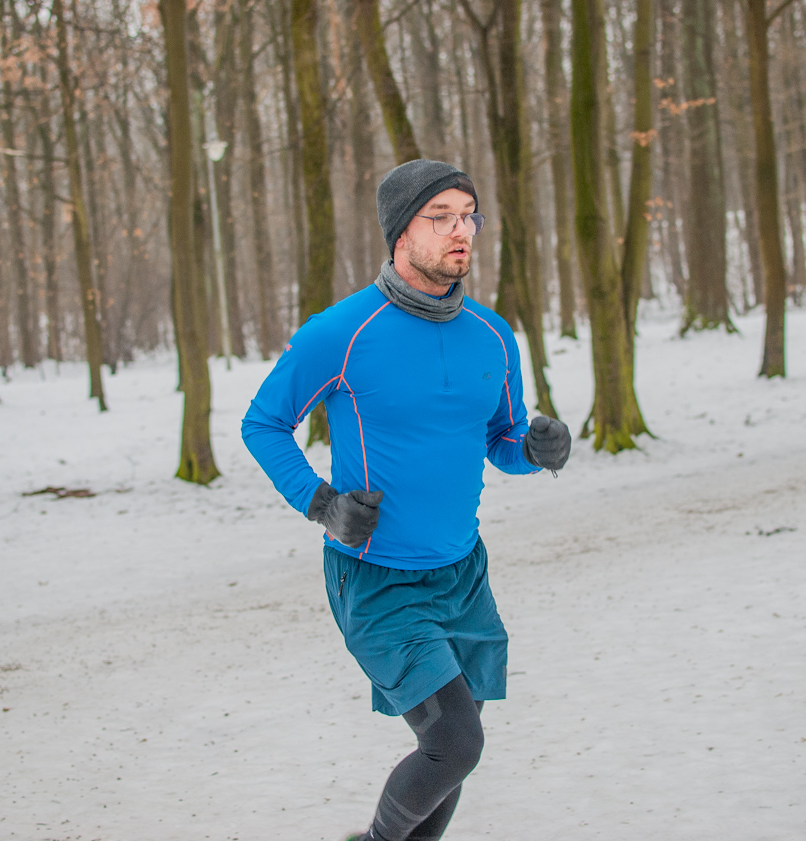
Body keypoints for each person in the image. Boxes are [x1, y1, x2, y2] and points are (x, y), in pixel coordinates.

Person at [241, 159, 571, 841]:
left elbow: (502, 438)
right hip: (378, 575)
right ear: (400, 233)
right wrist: (321, 502)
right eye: (441, 215)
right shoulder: (340, 333)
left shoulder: (493, 335)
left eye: (469, 214)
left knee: (455, 747)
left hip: (462, 573)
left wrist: (536, 450)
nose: (463, 230)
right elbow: (263, 423)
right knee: (456, 740)